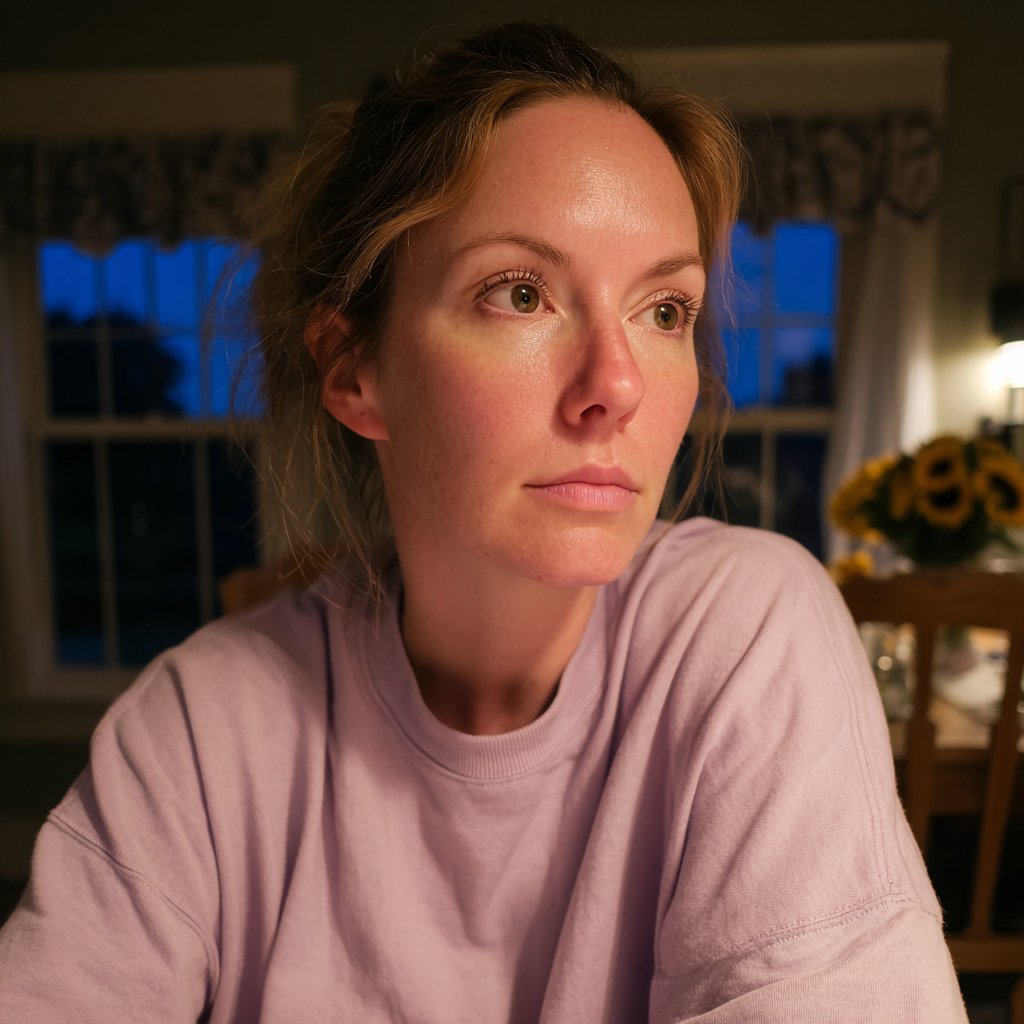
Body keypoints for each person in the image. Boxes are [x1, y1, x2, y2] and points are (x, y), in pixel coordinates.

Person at [0, 21, 967, 1023]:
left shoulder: (747, 629)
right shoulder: (200, 731)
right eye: (520, 293)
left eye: (664, 309)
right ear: (354, 370)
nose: (617, 385)